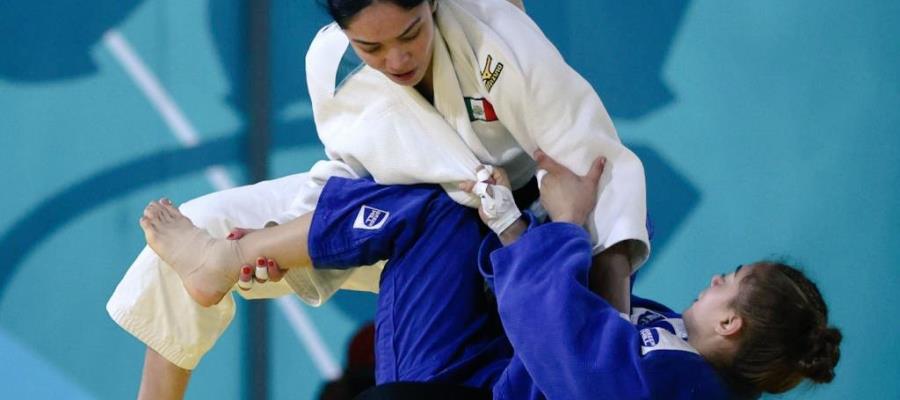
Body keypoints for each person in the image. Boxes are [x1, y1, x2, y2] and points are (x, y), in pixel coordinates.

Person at [109, 0, 650, 397]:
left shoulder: (499, 41)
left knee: (435, 206)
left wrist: (604, 341)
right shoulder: (329, 64)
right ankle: (218, 271)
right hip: (400, 227)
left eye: (411, 34)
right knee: (204, 221)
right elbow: (351, 177)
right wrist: (280, 244)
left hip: (511, 242)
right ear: (344, 32)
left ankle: (232, 257)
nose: (396, 59)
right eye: (371, 47)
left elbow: (601, 177)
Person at [140, 152, 842, 399]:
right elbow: (584, 323)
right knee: (445, 197)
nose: (717, 275)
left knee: (428, 207)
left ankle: (227, 259)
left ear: (732, 323)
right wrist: (593, 243)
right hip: (479, 364)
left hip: (450, 384)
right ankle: (248, 252)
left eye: (733, 278)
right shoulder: (677, 355)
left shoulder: (682, 384)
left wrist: (542, 230)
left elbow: (564, 341)